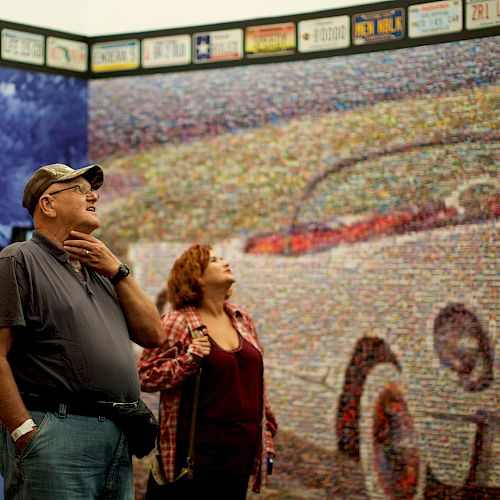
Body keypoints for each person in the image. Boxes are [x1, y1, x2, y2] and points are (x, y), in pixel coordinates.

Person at [0, 163, 163, 499]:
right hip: (56, 434)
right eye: (78, 189)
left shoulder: (102, 269)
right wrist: (24, 432)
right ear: (47, 204)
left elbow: (154, 335)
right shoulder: (18, 259)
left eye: (92, 190)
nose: (93, 195)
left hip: (116, 435)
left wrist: (120, 272)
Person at [138, 244, 278, 499]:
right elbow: (143, 376)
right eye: (214, 260)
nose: (224, 261)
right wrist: (188, 359)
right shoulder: (177, 322)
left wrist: (266, 436)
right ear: (196, 277)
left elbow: (258, 386)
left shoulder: (241, 319)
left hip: (240, 456)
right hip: (194, 462)